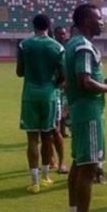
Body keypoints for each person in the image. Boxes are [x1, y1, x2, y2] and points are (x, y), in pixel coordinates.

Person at [64, 3, 107, 212]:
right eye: (98, 18)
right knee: (88, 169)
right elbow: (85, 82)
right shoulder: (84, 46)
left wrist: (105, 80)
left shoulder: (72, 44)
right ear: (86, 20)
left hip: (80, 110)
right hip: (88, 112)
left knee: (78, 164)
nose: (102, 22)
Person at [18, 14, 65, 193]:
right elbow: (63, 74)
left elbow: (19, 72)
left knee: (32, 138)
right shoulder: (57, 46)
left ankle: (34, 181)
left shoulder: (24, 45)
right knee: (47, 136)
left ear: (33, 25)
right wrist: (53, 82)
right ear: (49, 26)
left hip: (30, 93)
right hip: (49, 94)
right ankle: (46, 176)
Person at [52, 26, 70, 171]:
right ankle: (52, 159)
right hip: (56, 88)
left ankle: (64, 130)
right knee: (55, 122)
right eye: (59, 34)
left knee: (65, 112)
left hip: (67, 85)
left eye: (64, 34)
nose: (62, 36)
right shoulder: (53, 48)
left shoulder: (69, 47)